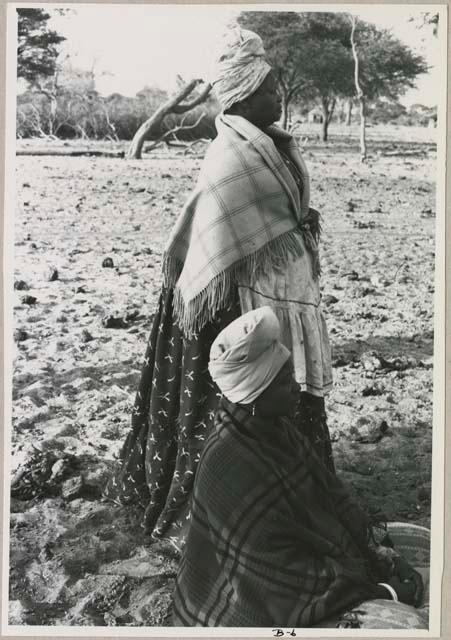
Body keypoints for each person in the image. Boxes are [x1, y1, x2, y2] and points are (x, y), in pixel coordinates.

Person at [106, 27, 333, 546]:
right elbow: (220, 239)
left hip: (275, 293)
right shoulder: (230, 157)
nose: (279, 95)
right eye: (271, 87)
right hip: (233, 304)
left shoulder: (271, 146)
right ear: (245, 95)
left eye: (277, 85)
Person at [172, 307, 428, 628]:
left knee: (425, 540)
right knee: (410, 626)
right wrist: (385, 591)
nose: (297, 387)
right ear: (255, 396)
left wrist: (383, 553)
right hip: (251, 601)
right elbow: (274, 572)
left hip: (305, 563)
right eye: (284, 381)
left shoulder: (274, 428)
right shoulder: (229, 465)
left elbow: (332, 496)